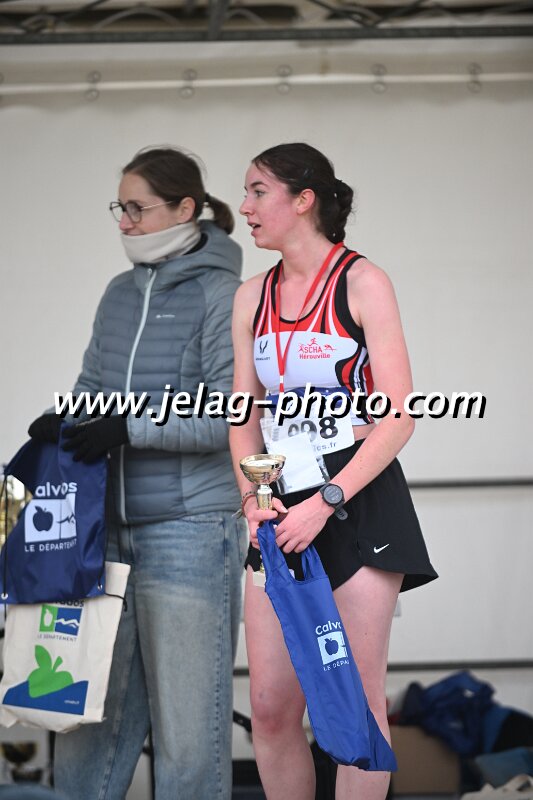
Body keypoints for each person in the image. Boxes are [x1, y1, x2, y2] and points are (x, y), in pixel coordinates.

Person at [28, 146, 247, 800]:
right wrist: (64, 420)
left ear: (185, 209)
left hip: (190, 534)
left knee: (188, 734)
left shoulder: (223, 296)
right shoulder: (118, 294)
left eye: (136, 208)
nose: (123, 222)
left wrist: (128, 427)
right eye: (118, 208)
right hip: (105, 535)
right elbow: (92, 388)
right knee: (86, 719)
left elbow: (228, 415)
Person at [229, 142, 438, 800]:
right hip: (276, 498)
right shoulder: (250, 296)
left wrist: (325, 499)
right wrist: (252, 497)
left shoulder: (362, 281)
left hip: (354, 493)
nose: (244, 207)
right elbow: (242, 413)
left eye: (257, 191)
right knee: (269, 708)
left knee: (354, 702)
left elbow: (399, 415)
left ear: (303, 199)